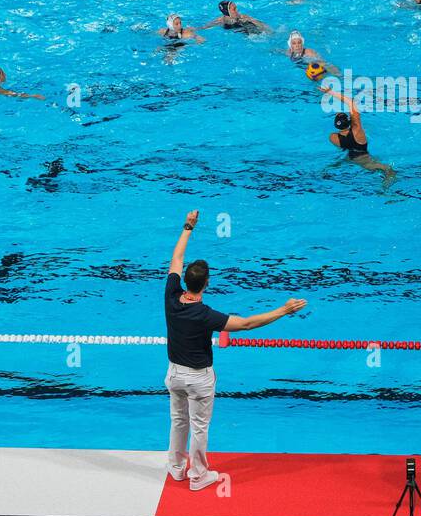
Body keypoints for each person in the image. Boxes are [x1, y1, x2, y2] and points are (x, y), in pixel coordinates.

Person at [164, 210, 307, 491]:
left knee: (178, 421)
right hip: (199, 378)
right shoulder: (206, 315)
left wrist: (187, 227)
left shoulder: (170, 296)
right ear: (206, 284)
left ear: (185, 281)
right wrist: (284, 309)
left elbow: (176, 260)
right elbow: (247, 323)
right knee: (199, 427)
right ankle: (198, 476)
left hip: (173, 374)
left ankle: (177, 468)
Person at [320, 84, 395, 186]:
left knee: (334, 165)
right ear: (350, 122)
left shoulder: (333, 137)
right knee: (389, 170)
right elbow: (350, 103)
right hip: (365, 161)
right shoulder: (357, 131)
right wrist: (331, 92)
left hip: (348, 158)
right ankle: (385, 191)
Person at [200, 0, 269, 35]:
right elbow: (205, 27)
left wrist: (269, 31)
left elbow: (261, 24)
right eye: (234, 9)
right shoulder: (221, 20)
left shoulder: (243, 17)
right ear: (227, 12)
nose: (237, 11)